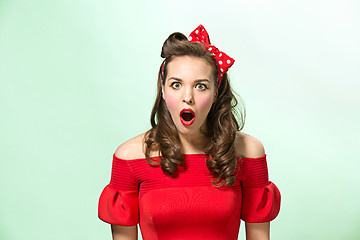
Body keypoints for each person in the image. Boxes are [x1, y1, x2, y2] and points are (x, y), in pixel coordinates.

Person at [98, 25, 281, 240]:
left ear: (215, 92)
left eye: (201, 86)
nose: (188, 97)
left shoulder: (248, 151)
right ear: (163, 89)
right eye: (176, 84)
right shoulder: (129, 157)